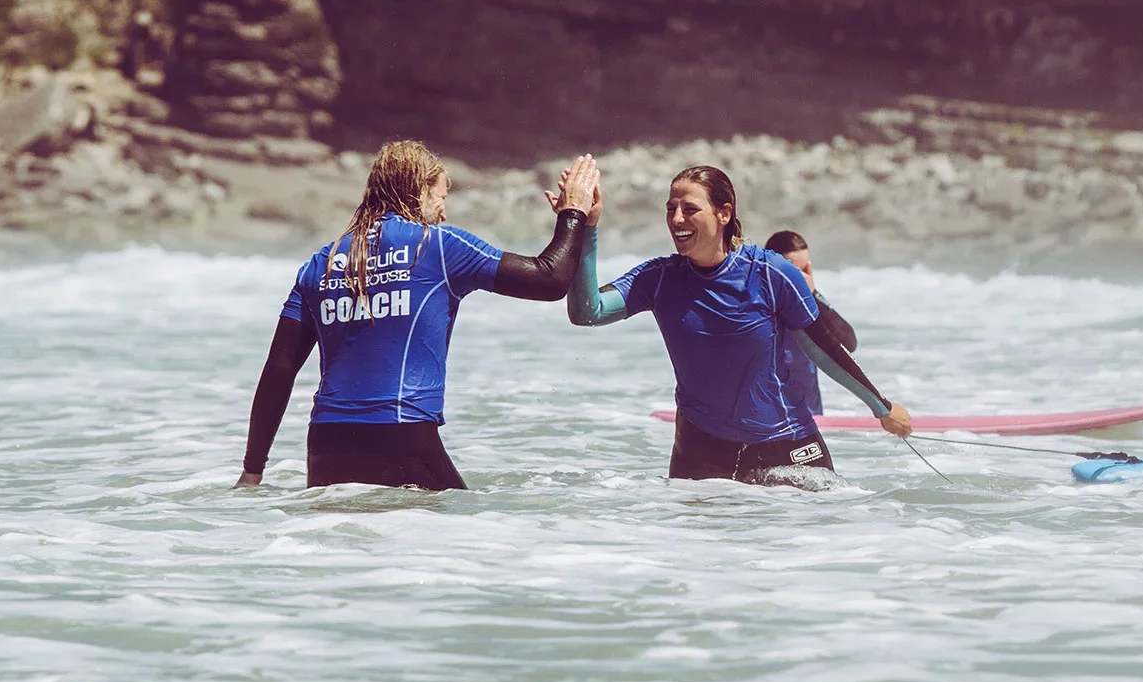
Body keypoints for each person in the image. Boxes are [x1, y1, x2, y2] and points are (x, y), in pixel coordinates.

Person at [235, 142, 599, 490]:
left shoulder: (322, 264)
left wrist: (253, 469)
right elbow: (549, 280)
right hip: (402, 436)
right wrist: (574, 213)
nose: (444, 213)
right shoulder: (438, 246)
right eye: (441, 197)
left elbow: (279, 370)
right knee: (470, 529)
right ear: (418, 191)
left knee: (346, 533)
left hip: (326, 446)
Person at [562, 164, 911, 485]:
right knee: (697, 536)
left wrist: (881, 407)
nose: (677, 219)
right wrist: (585, 228)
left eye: (690, 209)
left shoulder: (770, 273)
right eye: (670, 209)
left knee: (819, 531)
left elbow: (822, 348)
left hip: (785, 443)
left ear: (724, 213)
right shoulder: (659, 278)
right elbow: (588, 312)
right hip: (700, 450)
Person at [763, 229, 856, 416]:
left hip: (809, 418)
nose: (801, 279)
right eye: (794, 272)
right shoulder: (754, 304)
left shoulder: (810, 305)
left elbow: (848, 343)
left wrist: (812, 295)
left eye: (805, 271)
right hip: (765, 419)